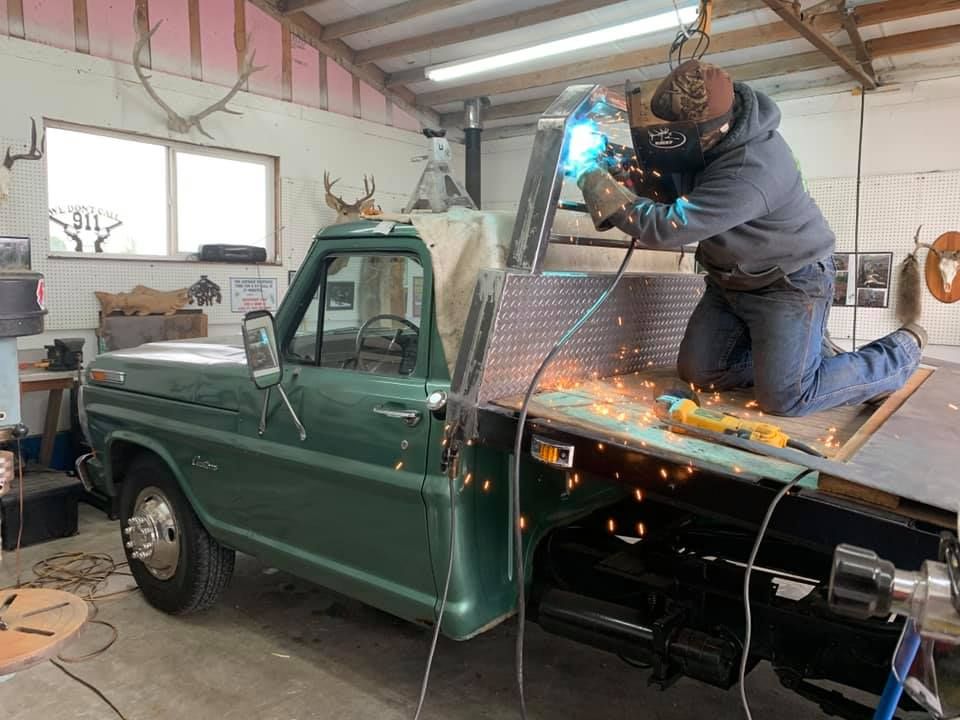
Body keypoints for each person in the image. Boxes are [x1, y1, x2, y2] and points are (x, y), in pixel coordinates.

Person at [577, 60, 924, 417]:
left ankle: (899, 353)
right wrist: (628, 176)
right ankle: (796, 361)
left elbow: (666, 228)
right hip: (729, 281)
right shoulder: (708, 140)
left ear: (710, 130)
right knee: (700, 374)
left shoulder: (752, 168)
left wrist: (596, 184)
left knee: (786, 399)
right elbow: (676, 185)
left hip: (788, 283)